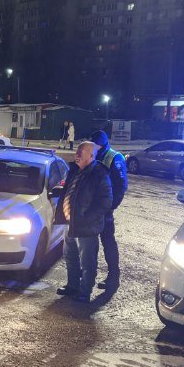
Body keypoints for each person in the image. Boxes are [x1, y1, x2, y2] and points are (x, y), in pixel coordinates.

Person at [54, 141, 113, 303]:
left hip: (86, 227)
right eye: (77, 151)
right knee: (70, 256)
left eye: (81, 152)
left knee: (87, 261)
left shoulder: (100, 174)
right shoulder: (75, 170)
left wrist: (86, 218)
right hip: (70, 223)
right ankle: (72, 286)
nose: (77, 155)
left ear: (92, 156)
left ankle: (84, 291)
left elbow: (106, 202)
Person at [90, 130, 128, 290]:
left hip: (105, 210)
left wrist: (110, 207)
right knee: (90, 244)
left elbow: (121, 186)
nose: (94, 147)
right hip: (91, 209)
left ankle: (113, 277)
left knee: (108, 242)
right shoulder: (94, 154)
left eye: (95, 144)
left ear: (101, 144)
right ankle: (88, 277)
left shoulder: (114, 157)